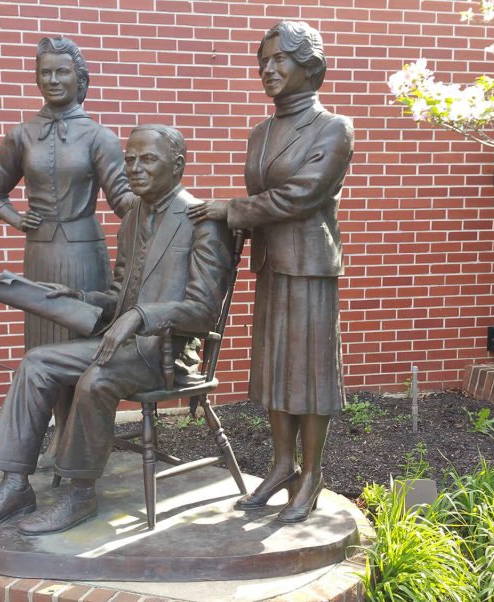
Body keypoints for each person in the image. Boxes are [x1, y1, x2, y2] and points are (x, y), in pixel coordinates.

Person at [0, 125, 232, 535]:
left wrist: (141, 316)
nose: (135, 169)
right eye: (130, 160)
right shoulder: (133, 218)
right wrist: (77, 295)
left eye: (148, 160)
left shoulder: (202, 220)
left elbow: (203, 311)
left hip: (166, 354)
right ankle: (14, 485)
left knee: (95, 379)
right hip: (122, 345)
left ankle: (79, 492)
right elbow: (118, 297)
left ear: (178, 166)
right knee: (36, 362)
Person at [189, 21, 354, 523]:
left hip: (308, 268)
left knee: (309, 373)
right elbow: (269, 198)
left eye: (280, 58)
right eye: (264, 60)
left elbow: (302, 194)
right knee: (275, 370)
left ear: (310, 66)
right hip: (271, 264)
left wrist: (231, 210)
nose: (268, 68)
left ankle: (311, 474)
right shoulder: (260, 132)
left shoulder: (333, 128)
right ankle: (281, 465)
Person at [0, 37, 138, 467]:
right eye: (45, 71)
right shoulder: (22, 135)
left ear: (80, 80)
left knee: (82, 344)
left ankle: (77, 437)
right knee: (43, 346)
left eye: (62, 72)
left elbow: (124, 200)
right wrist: (15, 217)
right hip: (40, 256)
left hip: (86, 258)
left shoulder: (99, 136)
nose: (53, 79)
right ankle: (54, 435)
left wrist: (168, 207)